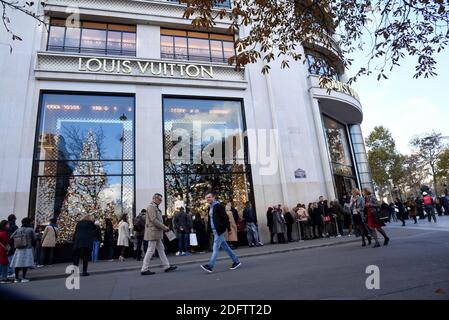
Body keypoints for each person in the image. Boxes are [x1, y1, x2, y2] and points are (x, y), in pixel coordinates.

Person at [201, 193, 241, 273]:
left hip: (219, 230)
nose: (208, 199)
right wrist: (209, 230)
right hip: (214, 230)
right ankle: (236, 261)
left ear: (213, 197)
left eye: (209, 197)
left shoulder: (218, 206)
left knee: (215, 248)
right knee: (226, 248)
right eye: (207, 198)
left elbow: (225, 218)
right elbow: (210, 220)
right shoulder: (210, 207)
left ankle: (210, 266)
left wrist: (227, 228)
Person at [141, 193, 177, 276]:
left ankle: (166, 266)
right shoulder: (151, 207)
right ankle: (144, 269)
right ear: (154, 198)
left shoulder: (154, 207)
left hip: (156, 232)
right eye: (159, 199)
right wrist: (164, 227)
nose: (160, 201)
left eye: (161, 200)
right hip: (153, 232)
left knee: (161, 249)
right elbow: (154, 220)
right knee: (150, 250)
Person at [10, 217, 36, 283]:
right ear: (29, 222)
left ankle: (16, 278)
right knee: (25, 263)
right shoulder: (31, 229)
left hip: (19, 248)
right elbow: (34, 238)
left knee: (17, 263)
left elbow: (11, 237)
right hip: (28, 248)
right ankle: (23, 278)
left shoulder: (18, 229)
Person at [7, 214, 18, 279]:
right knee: (11, 258)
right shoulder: (14, 226)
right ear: (14, 219)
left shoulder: (6, 225)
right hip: (12, 244)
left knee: (7, 257)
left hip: (6, 243)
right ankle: (11, 272)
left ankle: (8, 271)